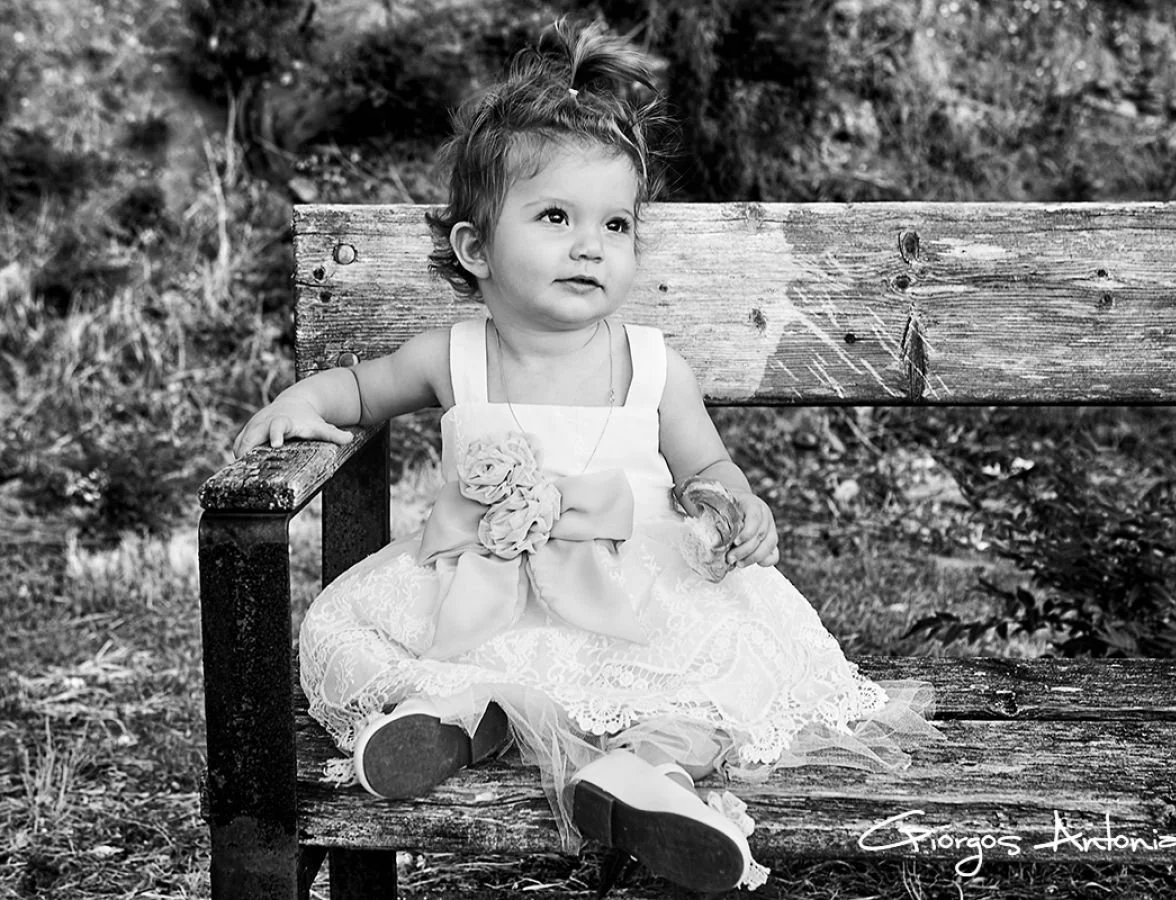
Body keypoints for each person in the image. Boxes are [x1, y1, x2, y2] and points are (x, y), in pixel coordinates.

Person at [232, 18, 938, 893]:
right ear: (476, 248)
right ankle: (462, 721)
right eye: (556, 217)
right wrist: (303, 399)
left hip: (635, 590)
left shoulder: (652, 366)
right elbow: (360, 391)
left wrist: (734, 506)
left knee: (728, 679)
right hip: (484, 593)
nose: (590, 243)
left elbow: (706, 469)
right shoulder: (449, 355)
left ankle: (647, 776)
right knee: (388, 644)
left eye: (615, 223)